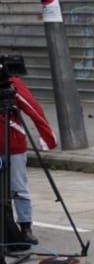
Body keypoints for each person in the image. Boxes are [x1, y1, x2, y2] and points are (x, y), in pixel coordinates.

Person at [2, 73, 51, 253]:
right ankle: (6, 229)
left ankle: (25, 228)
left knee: (18, 188)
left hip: (14, 144)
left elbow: (33, 108)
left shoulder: (12, 83)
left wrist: (47, 138)